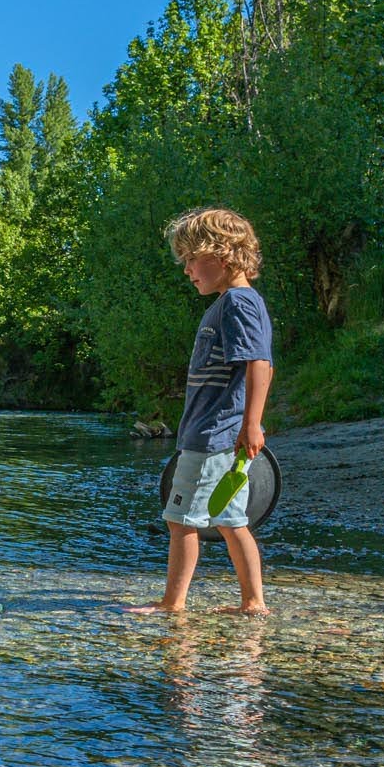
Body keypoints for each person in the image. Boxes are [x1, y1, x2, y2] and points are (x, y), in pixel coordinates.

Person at [136, 207, 274, 615]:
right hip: (216, 434)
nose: (187, 270)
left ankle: (171, 603)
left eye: (191, 259)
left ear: (223, 254)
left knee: (181, 520)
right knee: (231, 521)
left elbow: (260, 363)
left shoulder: (238, 303)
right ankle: (253, 603)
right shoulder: (228, 303)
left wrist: (250, 425)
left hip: (214, 434)